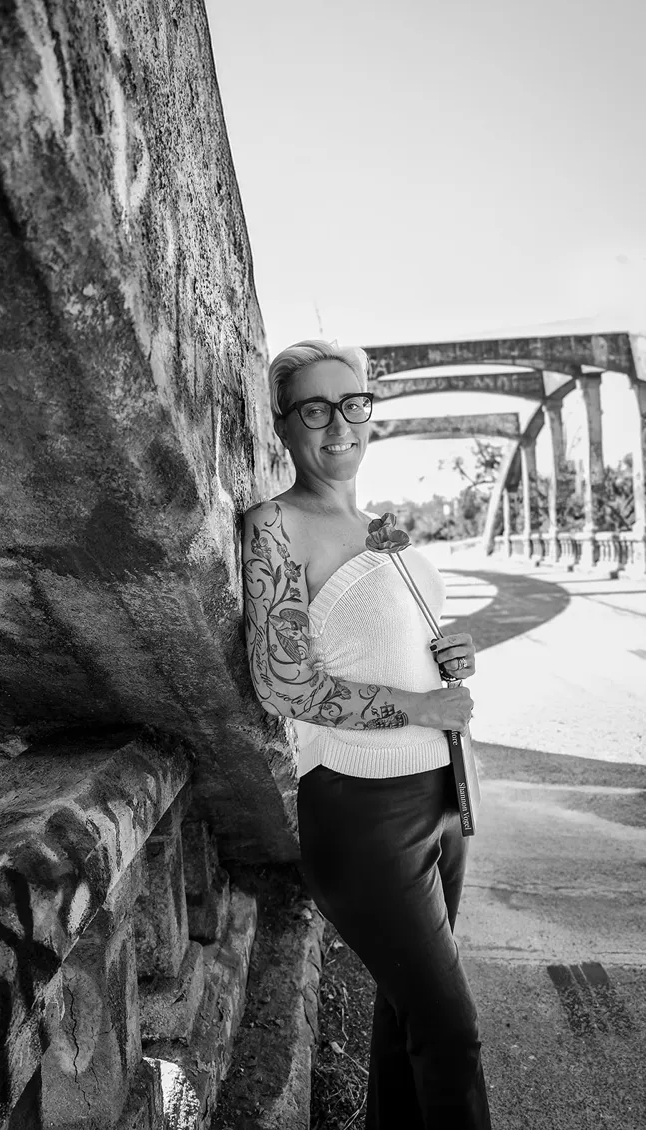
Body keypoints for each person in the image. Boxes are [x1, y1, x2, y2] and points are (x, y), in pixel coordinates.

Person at [241, 339, 492, 1130]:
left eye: (353, 405)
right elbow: (284, 683)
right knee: (450, 1032)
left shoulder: (381, 528)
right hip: (361, 811)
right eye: (315, 409)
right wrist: (420, 708)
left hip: (442, 794)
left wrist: (449, 654)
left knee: (407, 1016)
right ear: (284, 426)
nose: (339, 424)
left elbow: (385, 645)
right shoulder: (276, 526)